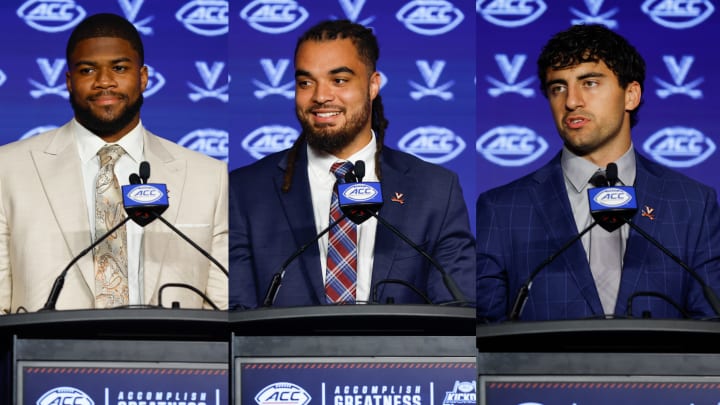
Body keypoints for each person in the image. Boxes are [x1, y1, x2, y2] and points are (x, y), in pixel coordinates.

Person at [476, 24, 720, 322]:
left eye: (589, 83)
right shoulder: (502, 208)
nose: (571, 101)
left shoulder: (693, 203)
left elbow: (710, 325)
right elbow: (487, 330)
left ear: (631, 95)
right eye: (558, 88)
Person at [228, 19, 475, 309]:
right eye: (305, 82)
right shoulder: (245, 191)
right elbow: (237, 313)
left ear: (372, 86)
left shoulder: (435, 189)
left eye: (339, 80)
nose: (320, 96)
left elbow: (457, 308)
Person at [0, 13, 228, 313]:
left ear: (143, 77)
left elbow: (220, 307)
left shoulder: (209, 177)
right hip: (45, 358)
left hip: (173, 357)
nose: (104, 82)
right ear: (69, 81)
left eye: (119, 68)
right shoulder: (9, 169)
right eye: (87, 70)